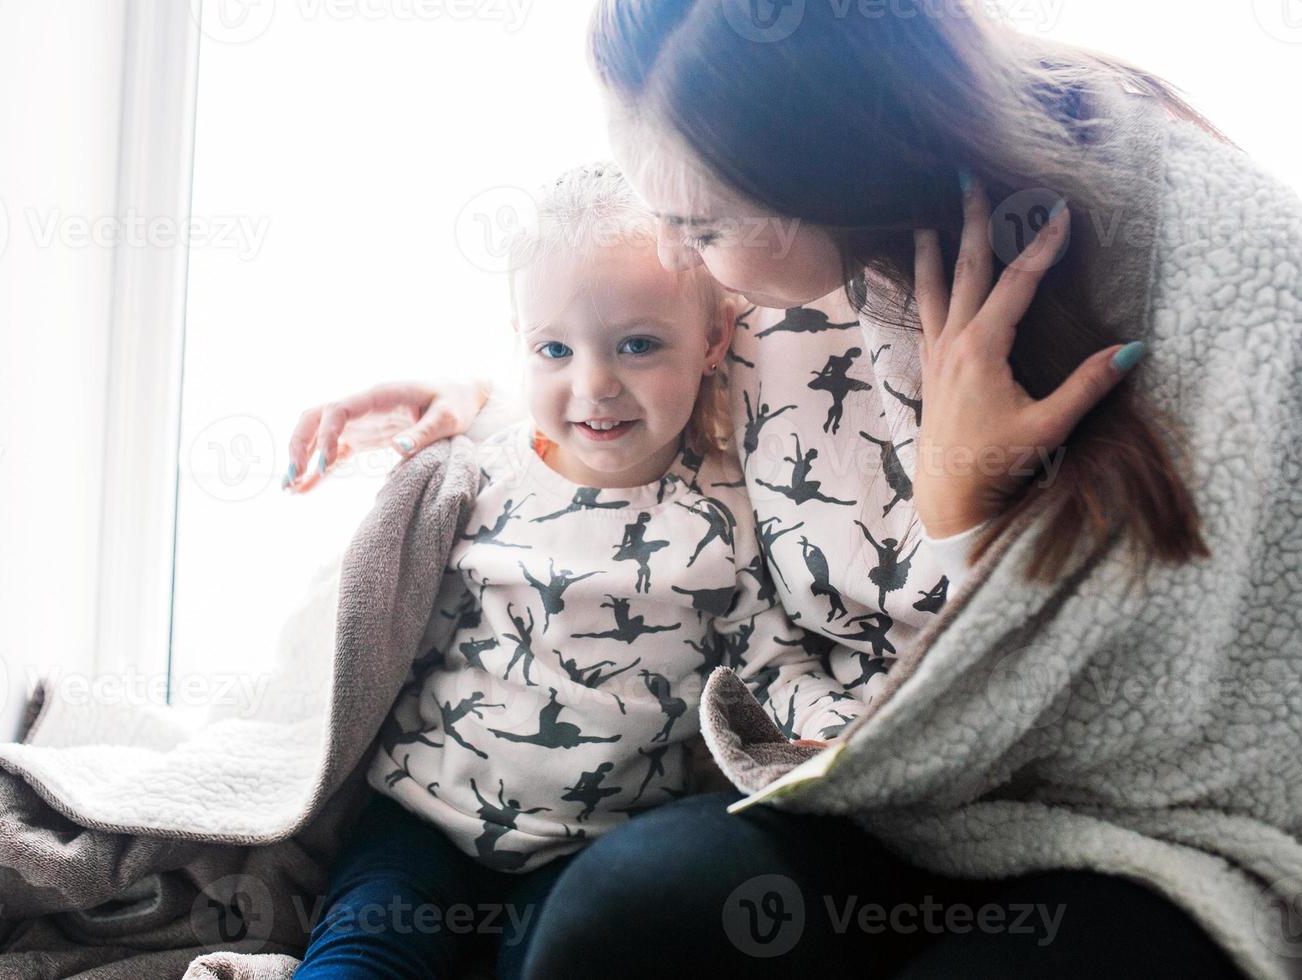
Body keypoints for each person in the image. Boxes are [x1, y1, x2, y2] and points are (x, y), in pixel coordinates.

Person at [284, 2, 1294, 975]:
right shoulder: (764, 262)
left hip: (1132, 823)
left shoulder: (1207, 258)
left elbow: (1201, 657)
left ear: (832, 169)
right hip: (849, 776)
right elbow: (641, 363)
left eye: (703, 226)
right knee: (619, 920)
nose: (683, 255)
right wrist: (495, 403)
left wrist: (965, 512)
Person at [292, 164, 975, 979]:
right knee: (359, 961)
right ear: (519, 342)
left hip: (583, 852)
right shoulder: (486, 477)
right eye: (554, 348)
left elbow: (764, 664)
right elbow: (389, 634)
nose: (594, 386)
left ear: (714, 341)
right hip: (420, 824)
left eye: (638, 345)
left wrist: (837, 736)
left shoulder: (728, 514)